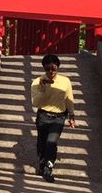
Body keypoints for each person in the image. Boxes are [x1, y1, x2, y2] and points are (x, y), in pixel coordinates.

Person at [30, 54, 76, 183]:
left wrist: (72, 114)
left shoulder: (65, 81)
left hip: (59, 117)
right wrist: (43, 89)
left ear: (58, 67)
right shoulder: (37, 82)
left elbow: (69, 98)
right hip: (43, 116)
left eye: (54, 68)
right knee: (42, 142)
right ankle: (42, 163)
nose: (51, 72)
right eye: (47, 69)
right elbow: (35, 103)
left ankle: (48, 169)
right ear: (44, 68)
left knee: (51, 142)